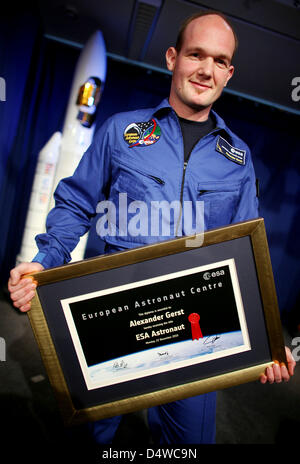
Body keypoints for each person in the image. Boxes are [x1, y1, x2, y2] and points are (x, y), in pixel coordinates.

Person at [8, 10, 295, 444]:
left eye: (220, 61)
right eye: (196, 55)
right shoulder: (120, 131)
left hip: (195, 331)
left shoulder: (238, 159)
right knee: (94, 437)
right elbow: (76, 203)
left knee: (190, 444)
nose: (206, 69)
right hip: (113, 319)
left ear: (229, 73)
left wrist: (268, 340)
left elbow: (248, 255)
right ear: (172, 58)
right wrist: (44, 260)